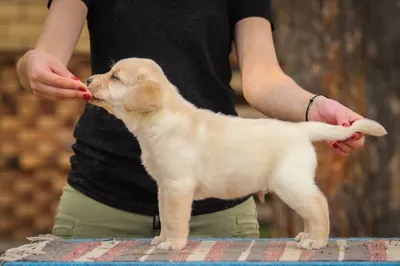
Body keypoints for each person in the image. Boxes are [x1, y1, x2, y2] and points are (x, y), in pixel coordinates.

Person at [16, 0, 365, 239]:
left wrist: (314, 107)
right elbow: (46, 56)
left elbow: (263, 80)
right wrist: (29, 65)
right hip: (98, 206)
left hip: (216, 217)